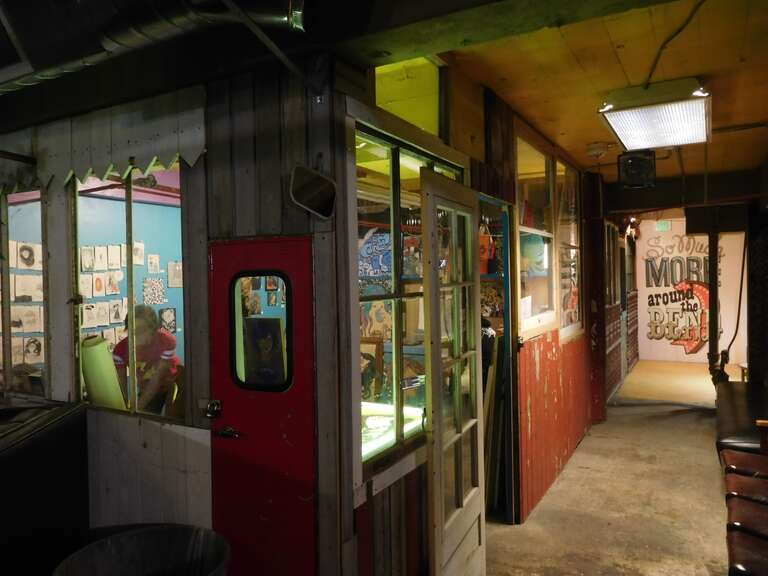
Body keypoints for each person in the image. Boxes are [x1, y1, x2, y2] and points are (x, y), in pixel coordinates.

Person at [113, 305, 180, 414]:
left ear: (153, 329)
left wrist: (136, 408)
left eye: (141, 330)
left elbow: (156, 380)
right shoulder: (119, 351)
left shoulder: (166, 341)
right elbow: (122, 385)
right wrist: (125, 408)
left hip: (173, 385)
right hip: (146, 388)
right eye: (132, 330)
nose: (135, 335)